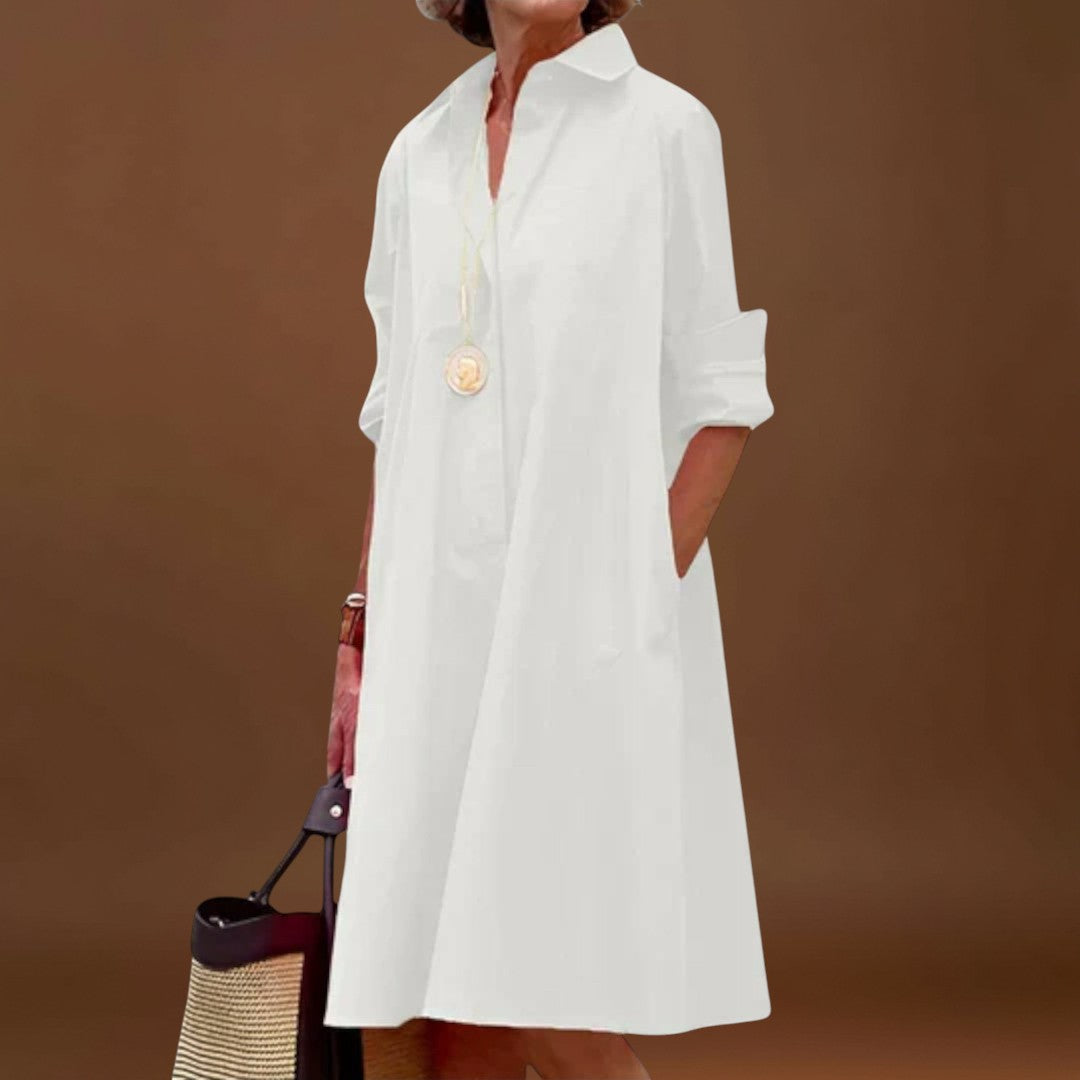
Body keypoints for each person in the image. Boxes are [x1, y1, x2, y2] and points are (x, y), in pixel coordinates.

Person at [324, 1, 774, 1076]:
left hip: (578, 627)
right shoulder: (420, 152)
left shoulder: (664, 131)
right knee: (442, 1001)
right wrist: (360, 631)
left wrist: (633, 591)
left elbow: (722, 399)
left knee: (539, 970)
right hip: (432, 628)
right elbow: (400, 422)